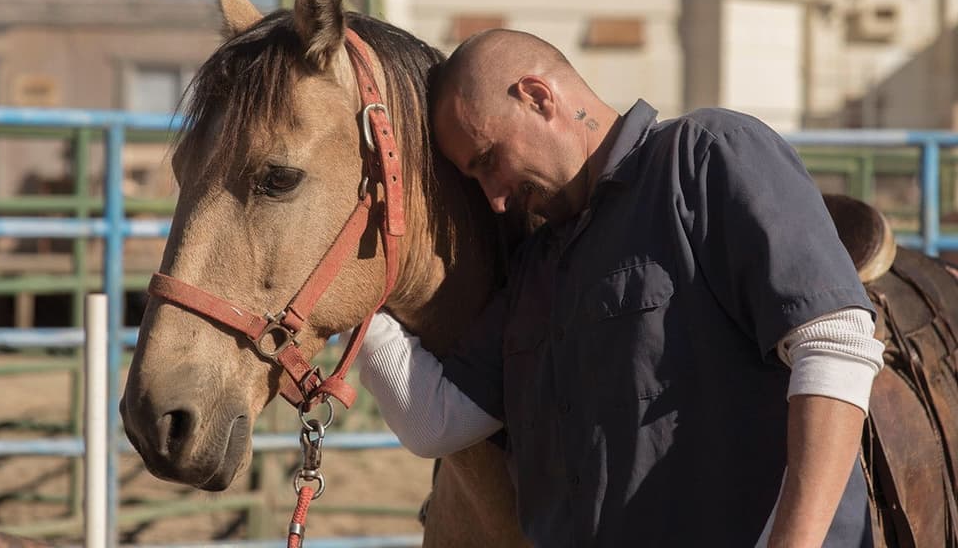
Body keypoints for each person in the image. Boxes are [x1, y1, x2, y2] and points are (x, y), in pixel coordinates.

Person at [355, 29, 885, 547]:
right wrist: (355, 289)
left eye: (489, 159)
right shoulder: (537, 267)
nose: (494, 198)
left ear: (538, 97)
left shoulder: (702, 156)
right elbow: (433, 421)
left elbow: (835, 344)